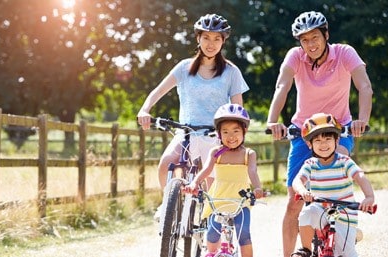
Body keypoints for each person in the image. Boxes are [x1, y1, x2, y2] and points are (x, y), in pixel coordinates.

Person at [265, 11, 373, 256]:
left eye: (315, 37)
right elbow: (282, 86)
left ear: (326, 35)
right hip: (303, 132)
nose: (310, 44)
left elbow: (364, 86)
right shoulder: (295, 57)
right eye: (304, 40)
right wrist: (273, 121)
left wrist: (362, 120)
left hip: (338, 129)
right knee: (294, 200)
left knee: (336, 163)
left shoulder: (345, 53)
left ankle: (344, 227)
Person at [137, 14, 249, 218]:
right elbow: (158, 91)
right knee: (166, 164)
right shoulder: (183, 68)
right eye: (206, 37)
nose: (211, 43)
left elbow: (238, 110)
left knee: (214, 197)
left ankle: (215, 239)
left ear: (223, 41)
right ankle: (168, 208)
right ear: (198, 38)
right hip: (186, 133)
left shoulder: (231, 72)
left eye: (217, 38)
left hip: (215, 136)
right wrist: (145, 110)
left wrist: (235, 135)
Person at [291, 113, 375, 257]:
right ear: (309, 144)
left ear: (337, 140)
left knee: (348, 254)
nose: (323, 144)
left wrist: (369, 197)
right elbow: (297, 181)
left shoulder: (344, 161)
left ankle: (352, 237)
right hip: (321, 210)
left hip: (344, 214)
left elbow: (360, 176)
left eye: (328, 139)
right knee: (307, 212)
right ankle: (306, 249)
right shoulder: (310, 164)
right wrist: (303, 191)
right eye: (317, 140)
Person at [186, 103, 263, 257]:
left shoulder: (249, 153)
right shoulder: (217, 152)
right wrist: (194, 183)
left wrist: (257, 188)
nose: (231, 136)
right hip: (219, 199)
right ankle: (212, 253)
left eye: (236, 131)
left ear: (244, 131)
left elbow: (252, 172)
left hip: (241, 201)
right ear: (219, 133)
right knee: (212, 233)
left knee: (244, 233)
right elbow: (207, 170)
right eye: (225, 132)